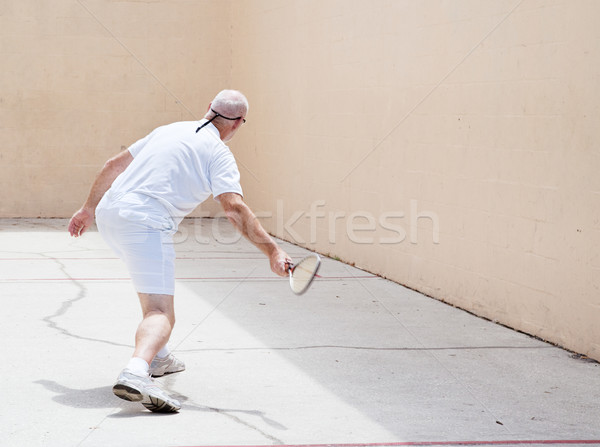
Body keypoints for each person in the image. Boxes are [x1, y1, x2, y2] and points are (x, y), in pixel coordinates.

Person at [68, 90, 291, 413]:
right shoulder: (219, 153)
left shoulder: (169, 129)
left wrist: (88, 208)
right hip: (145, 222)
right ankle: (136, 372)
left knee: (150, 286)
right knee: (160, 311)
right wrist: (272, 250)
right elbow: (234, 208)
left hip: (110, 214)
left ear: (208, 110)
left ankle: (160, 357)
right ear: (239, 124)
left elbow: (112, 164)